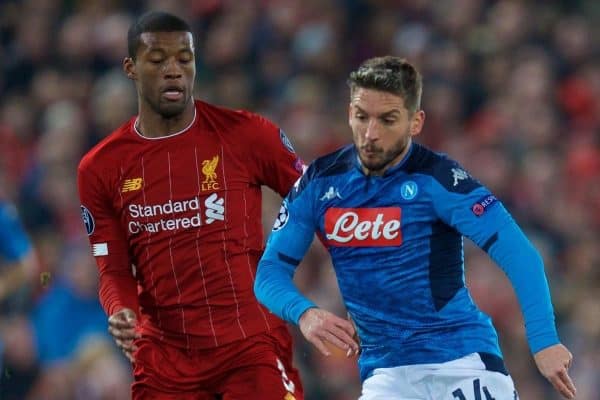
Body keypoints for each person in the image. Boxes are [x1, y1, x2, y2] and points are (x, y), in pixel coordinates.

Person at [254, 56, 577, 400]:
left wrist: (545, 341)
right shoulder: (320, 182)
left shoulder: (438, 179)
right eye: (362, 117)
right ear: (350, 113)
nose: (371, 133)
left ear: (415, 122)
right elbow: (269, 272)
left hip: (462, 362)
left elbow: (520, 254)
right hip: (386, 375)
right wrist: (304, 313)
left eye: (387, 119)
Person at [77, 11, 304, 400]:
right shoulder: (100, 168)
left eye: (184, 58)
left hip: (250, 344)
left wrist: (282, 270)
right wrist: (120, 310)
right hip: (166, 359)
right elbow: (111, 267)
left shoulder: (247, 135)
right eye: (158, 59)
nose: (173, 70)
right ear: (131, 68)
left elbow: (316, 201)